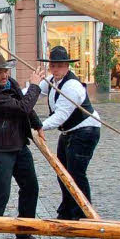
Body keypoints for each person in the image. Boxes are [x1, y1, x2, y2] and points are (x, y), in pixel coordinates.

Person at [0, 54, 48, 239]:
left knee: (31, 187)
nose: (4, 75)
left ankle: (24, 235)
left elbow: (26, 108)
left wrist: (37, 124)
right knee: (1, 193)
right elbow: (22, 106)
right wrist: (35, 85)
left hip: (18, 144)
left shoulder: (11, 83)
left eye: (6, 71)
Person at [36, 46, 101, 220]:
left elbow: (61, 116)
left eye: (59, 65)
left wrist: (38, 126)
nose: (55, 69)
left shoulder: (72, 86)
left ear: (67, 66)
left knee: (76, 173)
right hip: (69, 132)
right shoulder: (51, 81)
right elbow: (34, 93)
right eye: (53, 65)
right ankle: (67, 208)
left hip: (85, 131)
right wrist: (15, 95)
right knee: (62, 172)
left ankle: (83, 213)